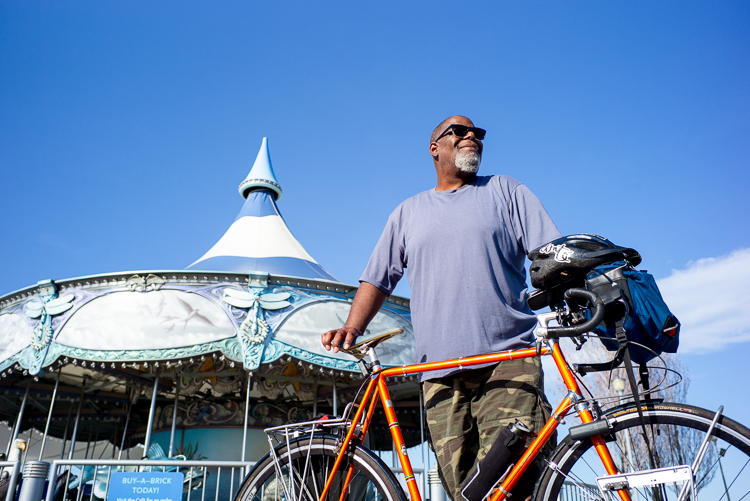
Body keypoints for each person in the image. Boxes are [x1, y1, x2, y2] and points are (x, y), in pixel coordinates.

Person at [322, 116, 561, 500]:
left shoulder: (505, 191)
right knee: (463, 490)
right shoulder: (407, 212)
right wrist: (353, 325)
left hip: (508, 361)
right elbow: (377, 278)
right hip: (438, 372)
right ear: (434, 148)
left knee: (511, 486)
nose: (472, 137)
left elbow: (552, 254)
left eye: (477, 133)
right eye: (460, 131)